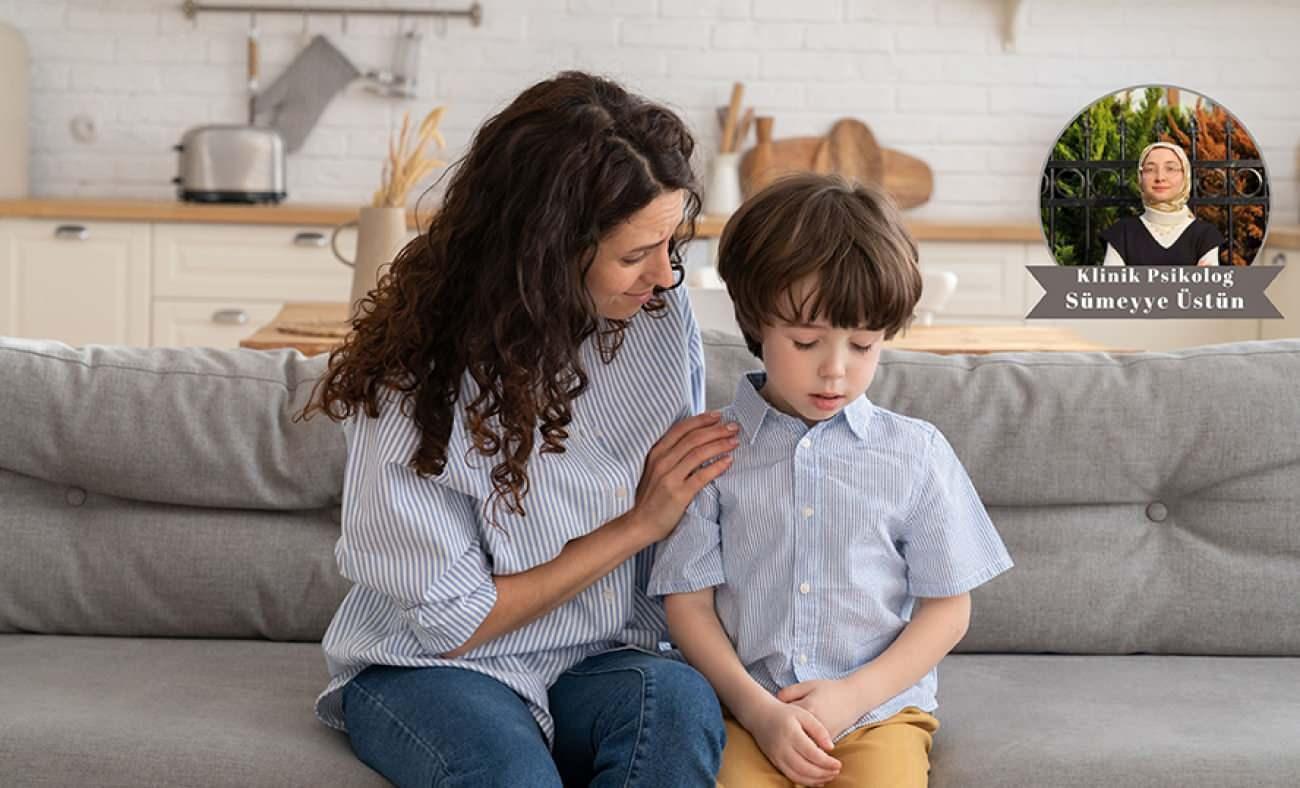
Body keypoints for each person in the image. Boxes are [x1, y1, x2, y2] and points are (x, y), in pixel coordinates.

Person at [305, 71, 734, 787]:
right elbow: (454, 622)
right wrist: (637, 525)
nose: (664, 276)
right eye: (635, 255)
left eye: (671, 246)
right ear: (546, 253)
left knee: (679, 707)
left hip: (600, 657)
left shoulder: (658, 316)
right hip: (434, 667)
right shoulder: (415, 384)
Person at [649, 174, 1014, 788]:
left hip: (876, 716)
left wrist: (851, 696)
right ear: (755, 321)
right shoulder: (712, 451)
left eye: (864, 345)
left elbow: (948, 609)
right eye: (806, 341)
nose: (836, 370)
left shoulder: (915, 453)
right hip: (749, 712)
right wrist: (756, 711)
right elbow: (688, 605)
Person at [1100, 141, 1224, 266]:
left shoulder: (1205, 235)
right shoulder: (1122, 234)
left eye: (1170, 168)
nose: (1160, 177)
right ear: (1140, 177)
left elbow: (1208, 285)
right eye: (1150, 169)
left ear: (1185, 176)